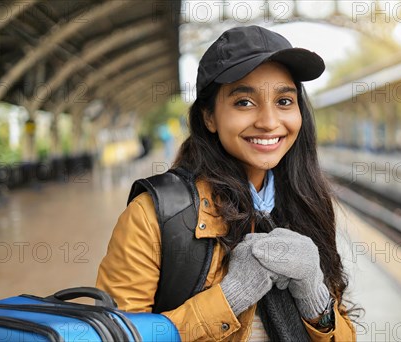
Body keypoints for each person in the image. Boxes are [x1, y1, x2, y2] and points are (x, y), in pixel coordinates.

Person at [96, 25, 358, 341]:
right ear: (209, 116)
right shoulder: (155, 214)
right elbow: (118, 336)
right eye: (244, 102)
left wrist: (315, 296)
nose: (269, 122)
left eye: (284, 101)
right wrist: (229, 298)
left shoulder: (307, 202)